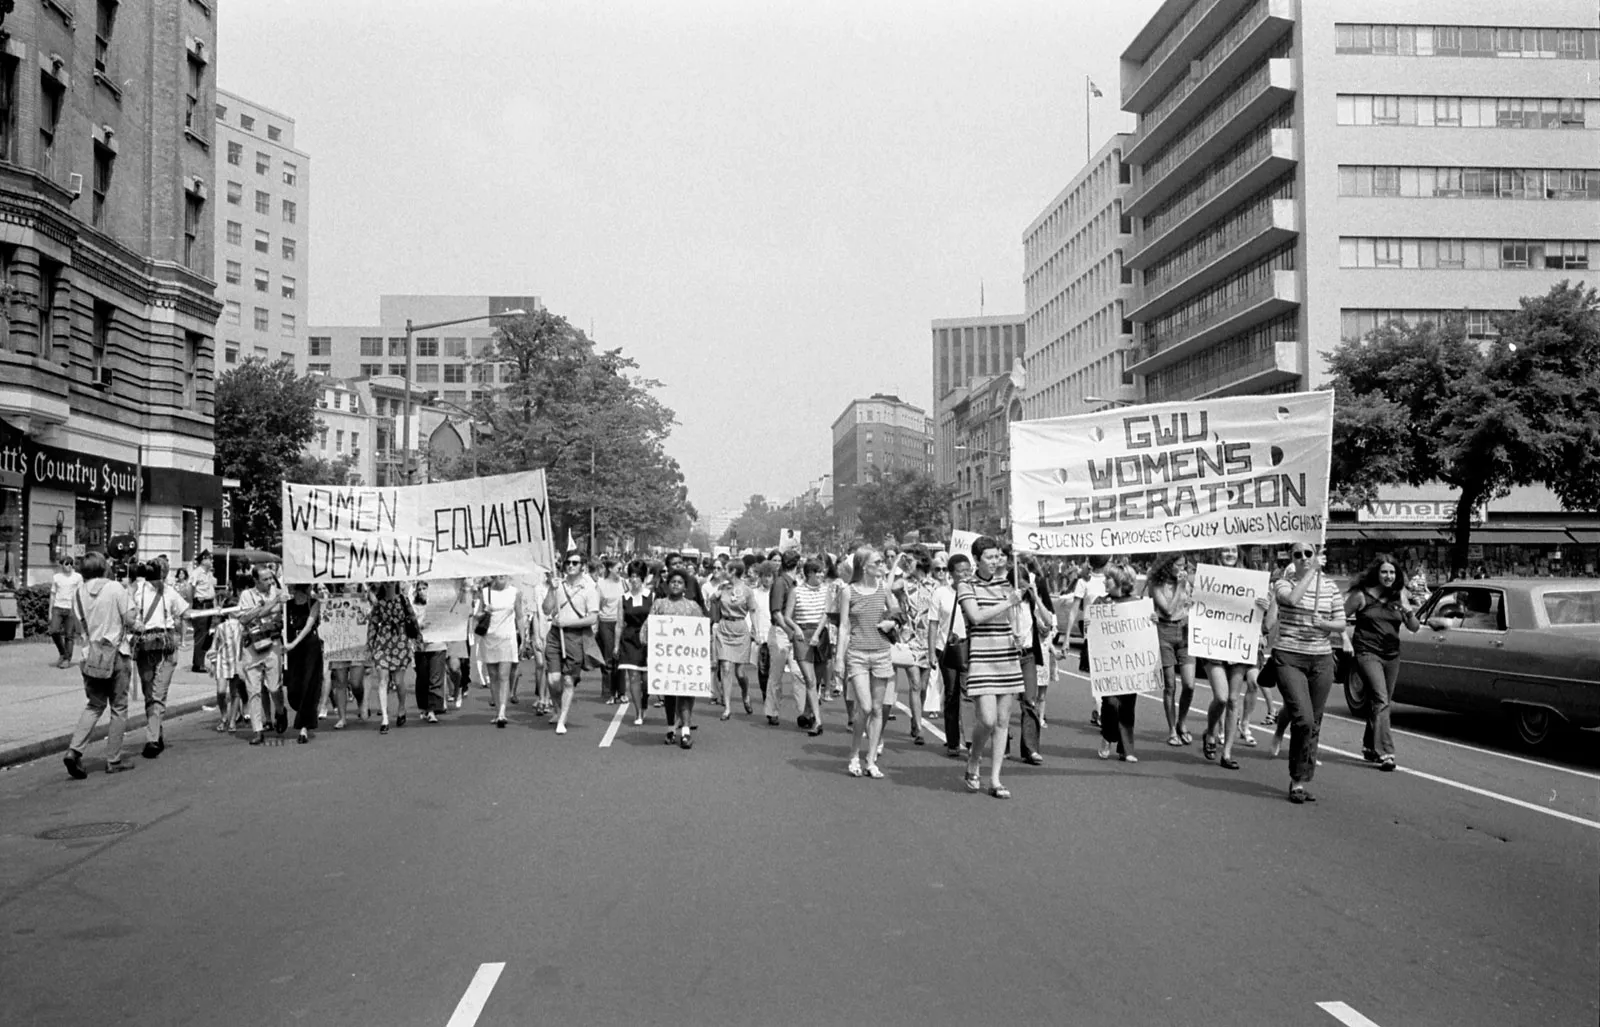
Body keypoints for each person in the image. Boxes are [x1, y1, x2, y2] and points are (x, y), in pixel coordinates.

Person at [1272, 543, 1346, 804]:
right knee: (1302, 717)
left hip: (1321, 658)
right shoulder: (1283, 582)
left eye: (1308, 554)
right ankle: (1296, 774)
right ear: (1291, 559)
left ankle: (1300, 781)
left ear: (1316, 555)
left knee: (1314, 721)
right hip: (1289, 655)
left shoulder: (1329, 586)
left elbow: (1341, 622)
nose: (1303, 558)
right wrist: (1311, 573)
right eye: (1297, 555)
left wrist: (1325, 624)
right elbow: (1290, 600)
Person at [957, 537, 1026, 798]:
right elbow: (975, 616)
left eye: (997, 556)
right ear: (977, 560)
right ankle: (974, 760)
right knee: (986, 719)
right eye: (989, 557)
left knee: (1002, 721)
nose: (995, 561)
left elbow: (1011, 616)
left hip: (1006, 655)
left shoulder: (1006, 583)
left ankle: (995, 778)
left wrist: (1017, 632)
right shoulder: (966, 585)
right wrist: (1008, 602)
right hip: (982, 656)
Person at [1194, 545, 1271, 771]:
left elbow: (1255, 615)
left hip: (1238, 645)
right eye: (1226, 551)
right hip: (1214, 646)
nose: (1230, 555)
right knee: (1221, 697)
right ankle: (1210, 733)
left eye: (1234, 552)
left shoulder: (1248, 580)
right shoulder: (1207, 578)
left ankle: (1227, 752)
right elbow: (1198, 608)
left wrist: (1263, 608)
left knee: (1233, 700)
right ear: (1218, 554)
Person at [62, 552, 137, 777]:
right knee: (119, 707)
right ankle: (113, 760)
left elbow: (78, 627)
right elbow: (131, 620)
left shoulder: (77, 594)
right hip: (116, 652)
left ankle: (74, 750)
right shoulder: (116, 589)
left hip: (89, 654)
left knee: (94, 704)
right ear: (104, 568)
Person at [1346, 554, 1422, 772]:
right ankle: (1386, 752)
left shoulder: (1399, 595)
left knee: (1381, 702)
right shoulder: (1361, 597)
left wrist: (1407, 611)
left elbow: (1414, 627)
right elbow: (1339, 618)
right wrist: (1344, 640)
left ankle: (1370, 746)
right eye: (1384, 572)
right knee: (1380, 699)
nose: (1388, 576)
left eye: (1392, 572)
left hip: (1391, 655)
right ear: (1376, 574)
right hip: (1367, 652)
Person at [834, 546, 901, 778]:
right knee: (864, 707)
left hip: (882, 652)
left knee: (877, 708)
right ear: (864, 566)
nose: (882, 565)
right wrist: (839, 659)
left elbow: (898, 613)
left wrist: (892, 623)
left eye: (883, 561)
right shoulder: (848, 592)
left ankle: (871, 759)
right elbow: (843, 626)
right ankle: (854, 754)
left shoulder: (884, 589)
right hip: (858, 654)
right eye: (878, 562)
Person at [129, 559, 190, 759]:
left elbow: (184, 612)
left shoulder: (170, 592)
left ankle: (152, 739)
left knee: (157, 693)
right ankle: (157, 730)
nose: (161, 577)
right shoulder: (136, 591)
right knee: (149, 692)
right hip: (145, 646)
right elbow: (127, 614)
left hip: (166, 646)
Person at [1094, 563, 1149, 763]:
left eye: (1107, 578)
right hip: (1109, 662)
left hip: (1130, 663)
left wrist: (1151, 620)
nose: (1104, 581)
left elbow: (1145, 630)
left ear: (1118, 581)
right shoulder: (1101, 602)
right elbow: (1089, 628)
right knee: (1110, 703)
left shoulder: (1136, 602)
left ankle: (1126, 748)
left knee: (1127, 705)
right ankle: (1108, 735)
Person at [648, 568, 705, 748]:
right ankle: (670, 728)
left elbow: (701, 633)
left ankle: (686, 731)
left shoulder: (693, 607)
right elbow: (648, 629)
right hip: (666, 659)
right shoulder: (659, 604)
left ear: (684, 587)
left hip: (687, 659)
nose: (676, 585)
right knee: (670, 694)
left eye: (680, 583)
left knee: (686, 694)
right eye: (673, 582)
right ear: (667, 584)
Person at [543, 552, 599, 735]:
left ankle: (562, 718)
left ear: (582, 565)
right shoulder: (558, 585)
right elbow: (546, 609)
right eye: (568, 562)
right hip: (555, 635)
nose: (570, 566)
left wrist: (568, 623)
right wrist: (552, 590)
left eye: (575, 563)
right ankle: (557, 707)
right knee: (553, 679)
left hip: (575, 637)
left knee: (568, 680)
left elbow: (592, 618)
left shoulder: (590, 588)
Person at [1147, 552, 1197, 748]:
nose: (1182, 569)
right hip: (1165, 632)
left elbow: (1192, 604)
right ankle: (1172, 730)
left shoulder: (1187, 583)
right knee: (1170, 685)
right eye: (1178, 565)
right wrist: (1180, 587)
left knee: (1189, 684)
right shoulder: (1157, 584)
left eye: (1185, 565)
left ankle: (1182, 721)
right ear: (1168, 565)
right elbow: (1167, 609)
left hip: (1185, 632)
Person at [234, 563, 287, 746]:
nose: (270, 582)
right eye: (265, 579)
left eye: (271, 578)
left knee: (274, 687)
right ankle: (258, 729)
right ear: (255, 580)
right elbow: (245, 618)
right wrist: (271, 606)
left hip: (272, 644)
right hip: (252, 646)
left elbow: (282, 612)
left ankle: (280, 710)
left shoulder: (279, 592)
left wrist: (267, 608)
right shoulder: (246, 595)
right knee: (253, 690)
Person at [1012, 552, 1055, 765]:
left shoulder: (1031, 603)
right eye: (1019, 584)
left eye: (1025, 584)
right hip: (1007, 656)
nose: (1022, 588)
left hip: (1027, 655)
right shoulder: (1007, 602)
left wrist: (1036, 595)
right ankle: (1002, 740)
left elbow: (1049, 621)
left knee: (1029, 701)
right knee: (1002, 705)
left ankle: (1030, 749)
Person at [890, 549, 935, 746]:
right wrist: (896, 564)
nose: (909, 563)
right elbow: (887, 587)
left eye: (911, 560)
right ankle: (919, 727)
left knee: (923, 686)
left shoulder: (934, 585)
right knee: (915, 684)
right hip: (909, 640)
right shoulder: (905, 584)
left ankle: (915, 718)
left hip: (929, 641)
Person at [927, 553, 970, 757]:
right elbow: (933, 623)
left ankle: (970, 738)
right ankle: (953, 741)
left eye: (968, 570)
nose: (965, 574)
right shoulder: (940, 593)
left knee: (969, 694)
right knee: (952, 694)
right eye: (960, 571)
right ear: (951, 574)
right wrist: (931, 653)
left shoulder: (974, 592)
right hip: (947, 648)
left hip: (970, 647)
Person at [366, 581, 419, 734]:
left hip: (400, 641)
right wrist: (370, 644)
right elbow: (373, 624)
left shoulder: (403, 600)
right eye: (387, 582)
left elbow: (413, 620)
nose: (389, 584)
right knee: (383, 680)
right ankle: (385, 717)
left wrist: (418, 640)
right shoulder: (379, 602)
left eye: (392, 581)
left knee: (398, 681)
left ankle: (402, 707)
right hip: (383, 642)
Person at [1063, 554, 1109, 725]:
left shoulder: (1112, 580)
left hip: (1112, 634)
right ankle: (1100, 710)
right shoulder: (1084, 582)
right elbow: (1074, 610)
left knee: (1108, 676)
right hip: (1093, 634)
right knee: (1098, 676)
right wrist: (1067, 637)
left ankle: (1103, 710)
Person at [709, 558, 755, 720]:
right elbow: (711, 600)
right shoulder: (723, 587)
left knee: (740, 672)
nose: (723, 572)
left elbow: (752, 610)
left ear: (733, 571)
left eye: (726, 569)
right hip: (724, 627)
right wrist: (718, 591)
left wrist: (755, 629)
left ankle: (745, 693)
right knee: (726, 667)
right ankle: (727, 707)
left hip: (740, 629)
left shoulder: (747, 590)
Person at [790, 557, 829, 737]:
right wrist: (797, 628)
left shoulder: (826, 590)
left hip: (820, 634)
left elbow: (825, 614)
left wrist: (816, 634)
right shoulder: (796, 591)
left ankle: (808, 712)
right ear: (810, 574)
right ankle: (818, 721)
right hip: (802, 634)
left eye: (822, 572)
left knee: (817, 680)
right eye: (818, 572)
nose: (821, 575)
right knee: (810, 680)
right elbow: (787, 615)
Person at [476, 574, 521, 727]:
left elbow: (519, 617)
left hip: (507, 638)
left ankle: (502, 711)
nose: (501, 576)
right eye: (498, 574)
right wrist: (484, 611)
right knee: (493, 675)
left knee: (503, 675)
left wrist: (524, 638)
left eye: (504, 574)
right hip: (489, 637)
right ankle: (497, 712)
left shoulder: (515, 592)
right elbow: (477, 616)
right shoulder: (485, 592)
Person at [283, 583, 323, 743]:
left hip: (309, 646)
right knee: (293, 687)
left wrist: (294, 643)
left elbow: (309, 625)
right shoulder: (287, 605)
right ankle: (305, 713)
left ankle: (303, 728)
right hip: (293, 649)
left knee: (308, 684)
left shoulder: (313, 603)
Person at [766, 550, 801, 726]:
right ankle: (772, 710)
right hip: (782, 631)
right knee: (776, 674)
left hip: (792, 630)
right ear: (797, 565)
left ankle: (804, 712)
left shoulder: (793, 583)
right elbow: (776, 612)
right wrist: (788, 630)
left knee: (799, 673)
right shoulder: (781, 583)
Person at [617, 559, 653, 725]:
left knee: (646, 679)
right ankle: (638, 712)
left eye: (637, 576)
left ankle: (645, 700)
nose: (634, 579)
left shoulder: (651, 596)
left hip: (648, 639)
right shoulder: (623, 598)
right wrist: (616, 645)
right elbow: (619, 623)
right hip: (630, 638)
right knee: (632, 676)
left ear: (643, 578)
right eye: (631, 576)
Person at [595, 558, 625, 704]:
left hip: (620, 622)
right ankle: (608, 693)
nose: (620, 571)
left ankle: (622, 692)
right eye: (618, 568)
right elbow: (597, 606)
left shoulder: (623, 583)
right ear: (610, 569)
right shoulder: (600, 585)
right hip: (606, 623)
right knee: (608, 659)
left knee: (620, 657)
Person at [48, 556, 83, 669]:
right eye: (66, 564)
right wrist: (50, 611)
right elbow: (53, 594)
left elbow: (80, 594)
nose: (69, 566)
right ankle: (63, 652)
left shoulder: (77, 577)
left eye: (71, 564)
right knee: (54, 630)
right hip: (58, 607)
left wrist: (79, 611)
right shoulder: (56, 577)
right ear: (61, 565)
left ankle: (67, 659)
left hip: (71, 609)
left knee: (69, 635)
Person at [187, 551, 217, 673]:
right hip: (201, 605)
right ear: (203, 560)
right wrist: (191, 604)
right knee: (201, 635)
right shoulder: (197, 573)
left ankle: (201, 661)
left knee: (207, 635)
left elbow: (211, 591)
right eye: (210, 559)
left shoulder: (209, 574)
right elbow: (190, 589)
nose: (211, 561)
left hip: (209, 605)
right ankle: (198, 664)